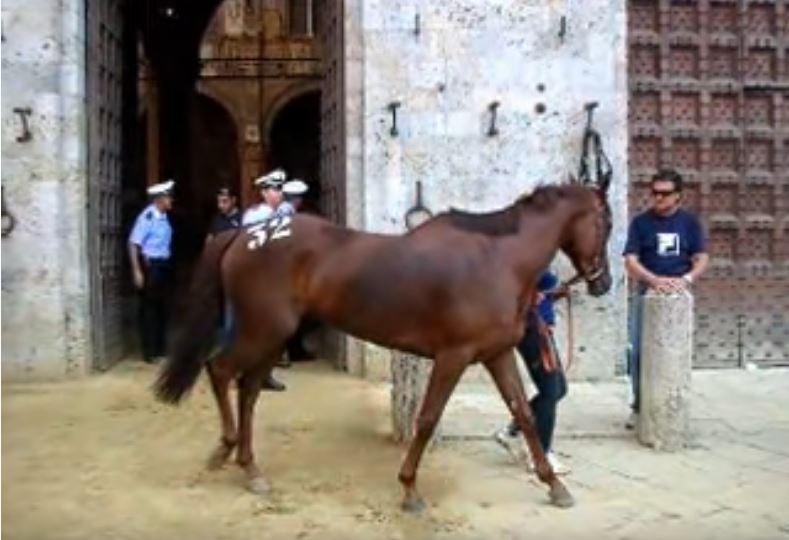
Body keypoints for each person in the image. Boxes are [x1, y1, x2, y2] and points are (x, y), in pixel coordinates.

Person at [623, 168, 708, 428]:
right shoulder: (641, 223)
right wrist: (653, 280)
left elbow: (701, 257)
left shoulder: (689, 223)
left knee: (674, 352)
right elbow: (630, 259)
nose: (658, 198)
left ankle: (672, 407)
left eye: (665, 194)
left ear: (678, 196)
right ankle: (640, 405)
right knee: (637, 353)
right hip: (646, 292)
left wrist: (686, 280)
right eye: (655, 193)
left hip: (678, 295)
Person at [493, 270, 570, 475]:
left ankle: (513, 431)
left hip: (540, 325)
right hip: (530, 325)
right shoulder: (524, 250)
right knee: (550, 391)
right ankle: (540, 454)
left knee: (560, 389)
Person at [128, 179, 175, 363]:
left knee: (162, 309)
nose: (171, 200)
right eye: (168, 197)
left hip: (163, 265)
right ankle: (150, 352)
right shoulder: (147, 217)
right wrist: (136, 270)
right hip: (151, 266)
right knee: (149, 310)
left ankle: (161, 350)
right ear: (159, 199)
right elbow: (133, 243)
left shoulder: (163, 217)